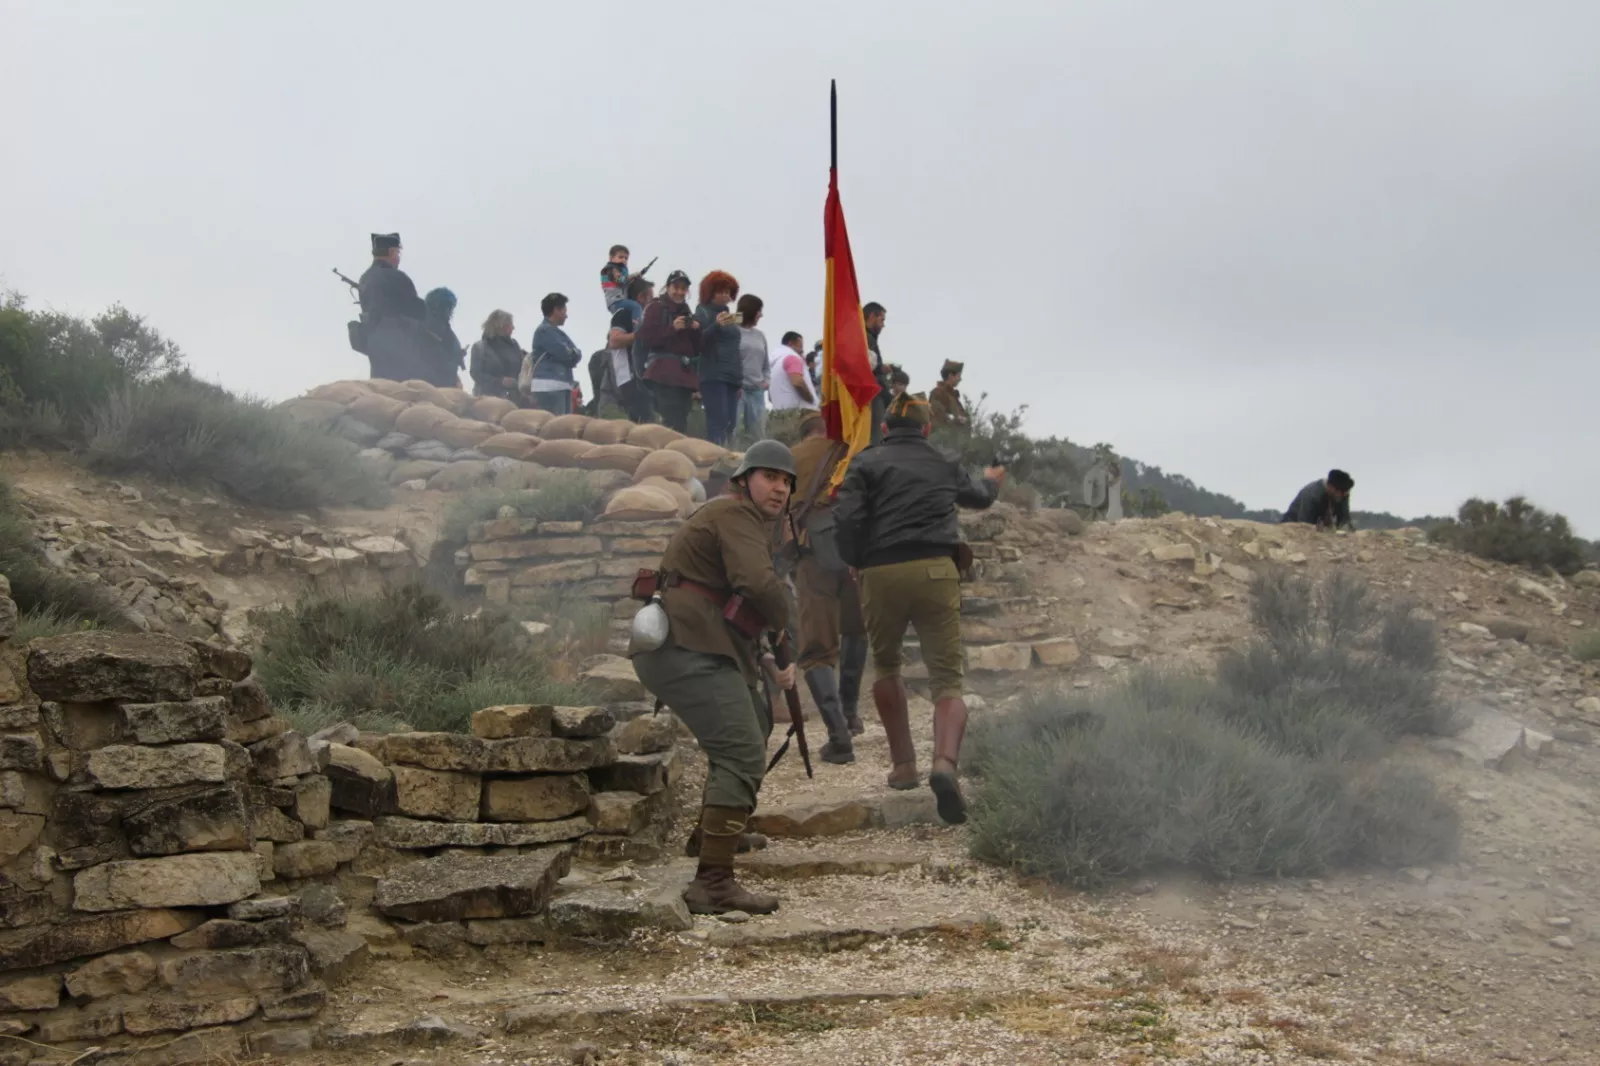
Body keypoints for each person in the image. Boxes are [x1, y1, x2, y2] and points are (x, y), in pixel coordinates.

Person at [631, 440, 799, 915]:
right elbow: (759, 585)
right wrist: (783, 622)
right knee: (743, 749)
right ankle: (713, 882)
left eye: (786, 481)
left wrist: (767, 654)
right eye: (770, 476)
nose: (780, 488)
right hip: (687, 645)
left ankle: (711, 835)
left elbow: (736, 599)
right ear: (745, 480)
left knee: (758, 722)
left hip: (706, 644)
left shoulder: (743, 521)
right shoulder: (735, 515)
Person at [833, 392, 1004, 825]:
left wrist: (854, 559)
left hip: (881, 572)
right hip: (936, 570)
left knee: (887, 666)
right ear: (927, 429)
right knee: (947, 678)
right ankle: (944, 765)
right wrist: (993, 478)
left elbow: (848, 518)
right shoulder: (943, 461)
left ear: (885, 428)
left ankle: (904, 767)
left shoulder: (867, 462)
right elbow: (979, 497)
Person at [786, 411, 868, 763]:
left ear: (803, 433)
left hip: (812, 557)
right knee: (856, 629)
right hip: (855, 553)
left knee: (816, 648)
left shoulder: (790, 457)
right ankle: (849, 714)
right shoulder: (852, 449)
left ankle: (838, 737)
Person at [357, 233, 429, 382]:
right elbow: (417, 310)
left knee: (380, 384)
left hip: (373, 339)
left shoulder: (365, 277)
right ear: (391, 252)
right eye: (398, 252)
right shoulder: (397, 277)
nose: (398, 257)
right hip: (398, 340)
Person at [638, 270, 701, 433]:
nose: (680, 292)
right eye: (676, 287)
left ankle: (674, 454)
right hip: (663, 372)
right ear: (667, 287)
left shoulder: (687, 311)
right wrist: (672, 328)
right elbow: (646, 339)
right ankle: (666, 456)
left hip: (683, 375)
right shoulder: (655, 308)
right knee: (671, 421)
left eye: (683, 288)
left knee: (681, 419)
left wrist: (695, 329)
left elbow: (695, 348)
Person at [694, 271, 744, 446]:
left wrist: (739, 378)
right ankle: (714, 457)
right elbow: (697, 342)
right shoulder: (702, 312)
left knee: (731, 422)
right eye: (720, 291)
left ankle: (727, 457)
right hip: (713, 374)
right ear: (710, 292)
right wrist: (715, 325)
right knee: (718, 421)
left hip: (732, 375)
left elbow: (735, 347)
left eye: (728, 292)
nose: (725, 296)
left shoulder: (730, 315)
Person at [523, 293, 583, 414]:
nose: (566, 315)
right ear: (556, 310)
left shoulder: (556, 332)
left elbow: (575, 354)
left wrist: (573, 353)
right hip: (549, 387)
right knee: (554, 428)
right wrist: (573, 353)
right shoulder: (545, 330)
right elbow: (566, 353)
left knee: (562, 427)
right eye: (564, 310)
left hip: (561, 385)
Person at [608, 276, 655, 423]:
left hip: (642, 376)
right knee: (643, 427)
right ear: (641, 297)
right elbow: (614, 340)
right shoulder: (623, 313)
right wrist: (640, 335)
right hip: (630, 378)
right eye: (651, 298)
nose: (652, 302)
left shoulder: (641, 316)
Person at [468, 310, 525, 400]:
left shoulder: (514, 345)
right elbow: (476, 374)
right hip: (489, 401)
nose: (513, 327)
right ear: (500, 326)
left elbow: (522, 369)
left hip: (515, 399)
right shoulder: (480, 347)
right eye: (510, 324)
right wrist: (500, 381)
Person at [736, 294, 769, 441]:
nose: (761, 315)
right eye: (759, 311)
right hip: (738, 390)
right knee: (734, 431)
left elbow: (766, 364)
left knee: (759, 433)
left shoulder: (760, 335)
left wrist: (767, 381)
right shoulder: (733, 331)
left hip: (757, 391)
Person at [420, 287, 464, 389]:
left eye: (451, 307)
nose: (450, 312)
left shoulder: (449, 333)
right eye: (447, 307)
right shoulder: (419, 328)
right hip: (424, 387)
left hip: (447, 387)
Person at [1283, 469, 1355, 530]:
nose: (1344, 495)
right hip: (1291, 527)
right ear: (1331, 487)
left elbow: (1344, 520)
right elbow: (1304, 524)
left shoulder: (1342, 495)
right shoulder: (1311, 494)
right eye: (1342, 492)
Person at [862, 301, 891, 443]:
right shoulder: (864, 337)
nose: (883, 325)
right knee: (875, 438)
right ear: (872, 316)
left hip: (874, 393)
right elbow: (866, 368)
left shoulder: (869, 338)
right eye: (882, 320)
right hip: (872, 395)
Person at [768, 331, 817, 412]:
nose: (802, 351)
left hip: (780, 415)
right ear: (790, 344)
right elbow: (797, 382)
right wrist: (812, 400)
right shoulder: (792, 358)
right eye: (800, 346)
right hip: (800, 414)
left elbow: (770, 397)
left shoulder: (775, 365)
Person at [929, 360, 970, 429]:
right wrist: (957, 419)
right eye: (958, 376)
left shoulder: (953, 396)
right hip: (942, 437)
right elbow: (937, 416)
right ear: (951, 376)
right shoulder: (938, 392)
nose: (960, 379)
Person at [601, 244, 630, 311]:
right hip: (615, 300)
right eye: (620, 257)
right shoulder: (611, 269)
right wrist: (630, 277)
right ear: (611, 258)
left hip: (621, 299)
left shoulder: (620, 269)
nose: (623, 260)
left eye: (626, 258)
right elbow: (619, 280)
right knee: (635, 307)